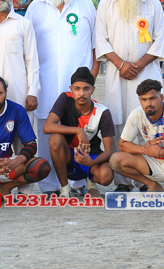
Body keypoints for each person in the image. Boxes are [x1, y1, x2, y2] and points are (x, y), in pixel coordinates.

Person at [94, 0, 164, 189]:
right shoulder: (106, 4)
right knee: (119, 126)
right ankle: (123, 181)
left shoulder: (152, 3)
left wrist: (139, 65)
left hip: (146, 75)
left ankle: (148, 179)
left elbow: (160, 40)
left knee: (148, 125)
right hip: (117, 76)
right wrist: (121, 64)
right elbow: (100, 39)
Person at [27, 0, 99, 194]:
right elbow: (28, 46)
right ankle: (48, 186)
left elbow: (96, 44)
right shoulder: (36, 8)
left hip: (79, 85)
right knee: (46, 133)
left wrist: (93, 75)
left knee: (80, 131)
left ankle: (78, 183)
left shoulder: (84, 4)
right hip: (45, 83)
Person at [110, 79, 164, 193]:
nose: (148, 103)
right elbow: (122, 144)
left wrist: (160, 152)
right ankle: (151, 184)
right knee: (115, 160)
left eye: (152, 98)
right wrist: (145, 149)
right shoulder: (136, 114)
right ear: (140, 100)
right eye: (144, 99)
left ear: (161, 97)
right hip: (151, 161)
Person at [43, 67, 115, 197]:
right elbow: (47, 127)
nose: (81, 93)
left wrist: (92, 163)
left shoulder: (102, 112)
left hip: (91, 156)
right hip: (69, 157)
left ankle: (91, 181)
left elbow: (110, 150)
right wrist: (78, 130)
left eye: (86, 89)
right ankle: (65, 189)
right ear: (71, 89)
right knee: (55, 138)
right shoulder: (65, 98)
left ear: (93, 89)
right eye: (77, 89)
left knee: (106, 176)